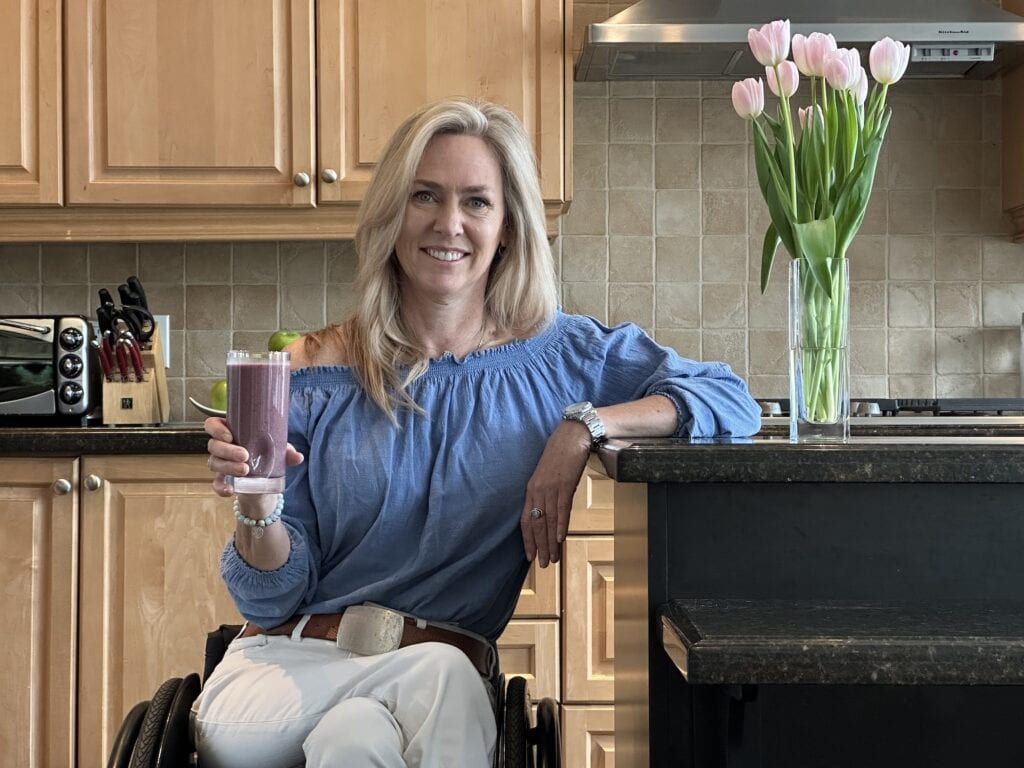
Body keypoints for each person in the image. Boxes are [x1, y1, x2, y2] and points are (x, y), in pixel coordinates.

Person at [193, 97, 761, 768]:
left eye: (476, 202)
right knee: (438, 680)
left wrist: (583, 426)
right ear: (392, 215)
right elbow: (270, 595)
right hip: (279, 677)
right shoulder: (311, 371)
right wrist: (259, 508)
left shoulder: (561, 360)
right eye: (424, 196)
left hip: (417, 692)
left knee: (360, 738)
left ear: (510, 226)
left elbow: (730, 396)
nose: (449, 223)